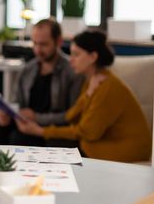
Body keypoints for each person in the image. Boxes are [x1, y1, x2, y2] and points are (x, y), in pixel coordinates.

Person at [16, 30, 151, 162]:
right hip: (99, 140)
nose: (71, 60)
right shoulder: (91, 81)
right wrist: (87, 95)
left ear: (93, 57)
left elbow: (87, 132)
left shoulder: (107, 86)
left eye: (76, 55)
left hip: (126, 149)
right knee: (54, 143)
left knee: (56, 145)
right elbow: (71, 116)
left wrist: (41, 131)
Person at [0, 18, 83, 146]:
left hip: (50, 127)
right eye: (35, 43)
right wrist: (6, 114)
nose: (38, 50)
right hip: (25, 122)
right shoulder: (27, 69)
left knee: (18, 138)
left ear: (58, 42)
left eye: (43, 44)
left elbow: (72, 115)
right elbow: (16, 102)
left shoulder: (72, 71)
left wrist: (36, 117)